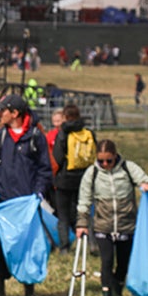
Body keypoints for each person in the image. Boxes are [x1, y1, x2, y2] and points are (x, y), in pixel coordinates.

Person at [0, 94, 51, 296]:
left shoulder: (36, 138)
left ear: (15, 114)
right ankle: (0, 293)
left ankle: (29, 291)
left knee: (26, 246)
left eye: (3, 110)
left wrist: (39, 192)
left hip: (26, 206)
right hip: (2, 205)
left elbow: (44, 169)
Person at [75, 140, 148, 296]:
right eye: (101, 161)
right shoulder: (92, 173)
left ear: (115, 156)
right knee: (107, 261)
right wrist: (82, 223)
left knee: (123, 263)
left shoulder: (128, 168)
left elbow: (147, 180)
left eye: (109, 161)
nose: (105, 164)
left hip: (126, 225)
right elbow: (84, 199)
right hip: (102, 225)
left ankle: (118, 289)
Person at [49, 104, 97, 251]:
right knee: (84, 212)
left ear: (65, 117)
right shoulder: (88, 132)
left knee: (63, 214)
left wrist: (54, 176)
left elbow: (57, 157)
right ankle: (91, 244)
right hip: (84, 178)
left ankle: (64, 247)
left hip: (64, 179)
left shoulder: (63, 133)